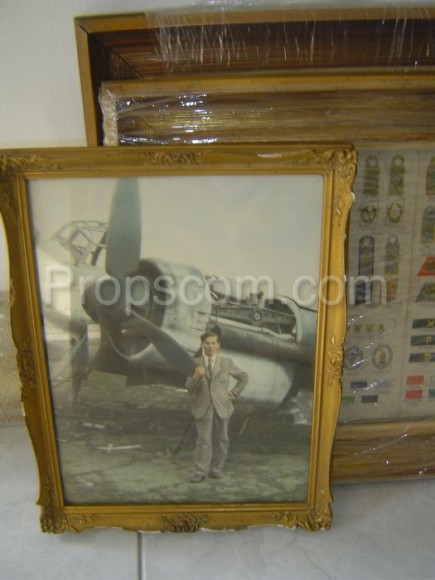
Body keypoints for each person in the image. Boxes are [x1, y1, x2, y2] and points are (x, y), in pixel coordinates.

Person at [185, 330, 248, 483]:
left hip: (222, 406)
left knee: (222, 439)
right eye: (207, 343)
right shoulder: (195, 363)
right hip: (203, 406)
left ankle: (216, 468)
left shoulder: (226, 362)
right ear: (202, 345)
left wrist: (234, 393)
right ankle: (201, 471)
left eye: (213, 343)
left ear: (218, 345)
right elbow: (189, 387)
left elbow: (244, 377)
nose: (210, 346)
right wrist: (196, 377)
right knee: (203, 440)